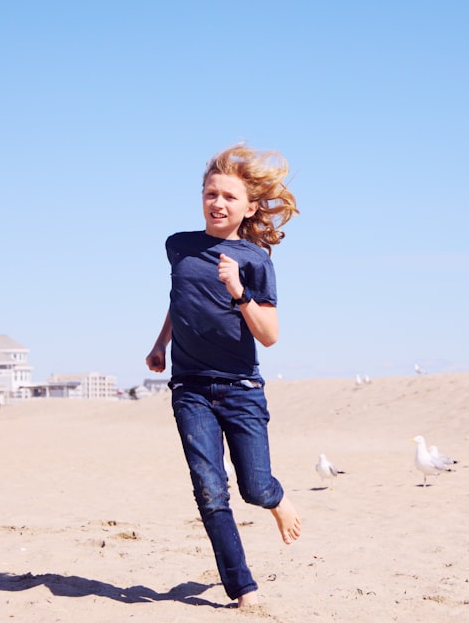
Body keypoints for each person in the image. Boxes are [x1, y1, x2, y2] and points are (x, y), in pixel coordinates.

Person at [146, 143, 302, 608]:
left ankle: (276, 499)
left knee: (254, 487)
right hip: (190, 387)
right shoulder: (179, 246)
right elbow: (181, 300)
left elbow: (269, 335)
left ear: (250, 207)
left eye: (230, 197)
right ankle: (243, 588)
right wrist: (160, 344)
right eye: (210, 193)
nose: (218, 203)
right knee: (210, 490)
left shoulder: (255, 261)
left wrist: (238, 291)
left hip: (241, 390)